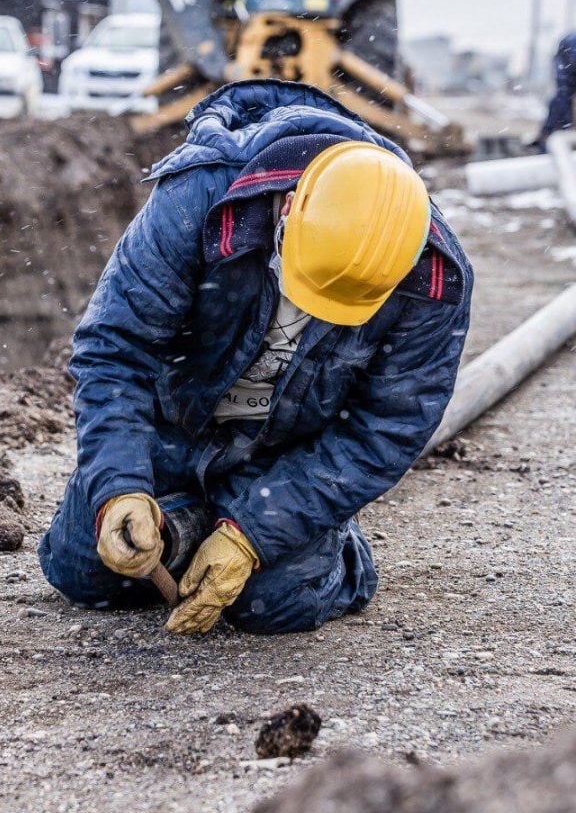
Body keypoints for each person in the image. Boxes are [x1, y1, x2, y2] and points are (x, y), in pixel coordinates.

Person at [39, 81, 473, 636]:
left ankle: (323, 551)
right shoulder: (203, 196)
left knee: (271, 605)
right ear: (289, 206)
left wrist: (253, 531)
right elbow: (116, 348)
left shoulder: (432, 278)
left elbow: (384, 431)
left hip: (289, 456)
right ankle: (189, 518)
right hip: (179, 429)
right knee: (84, 572)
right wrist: (120, 484)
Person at [534, 33, 576, 149]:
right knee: (563, 98)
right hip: (567, 59)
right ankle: (547, 139)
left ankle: (548, 135)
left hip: (567, 59)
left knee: (563, 97)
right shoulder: (571, 44)